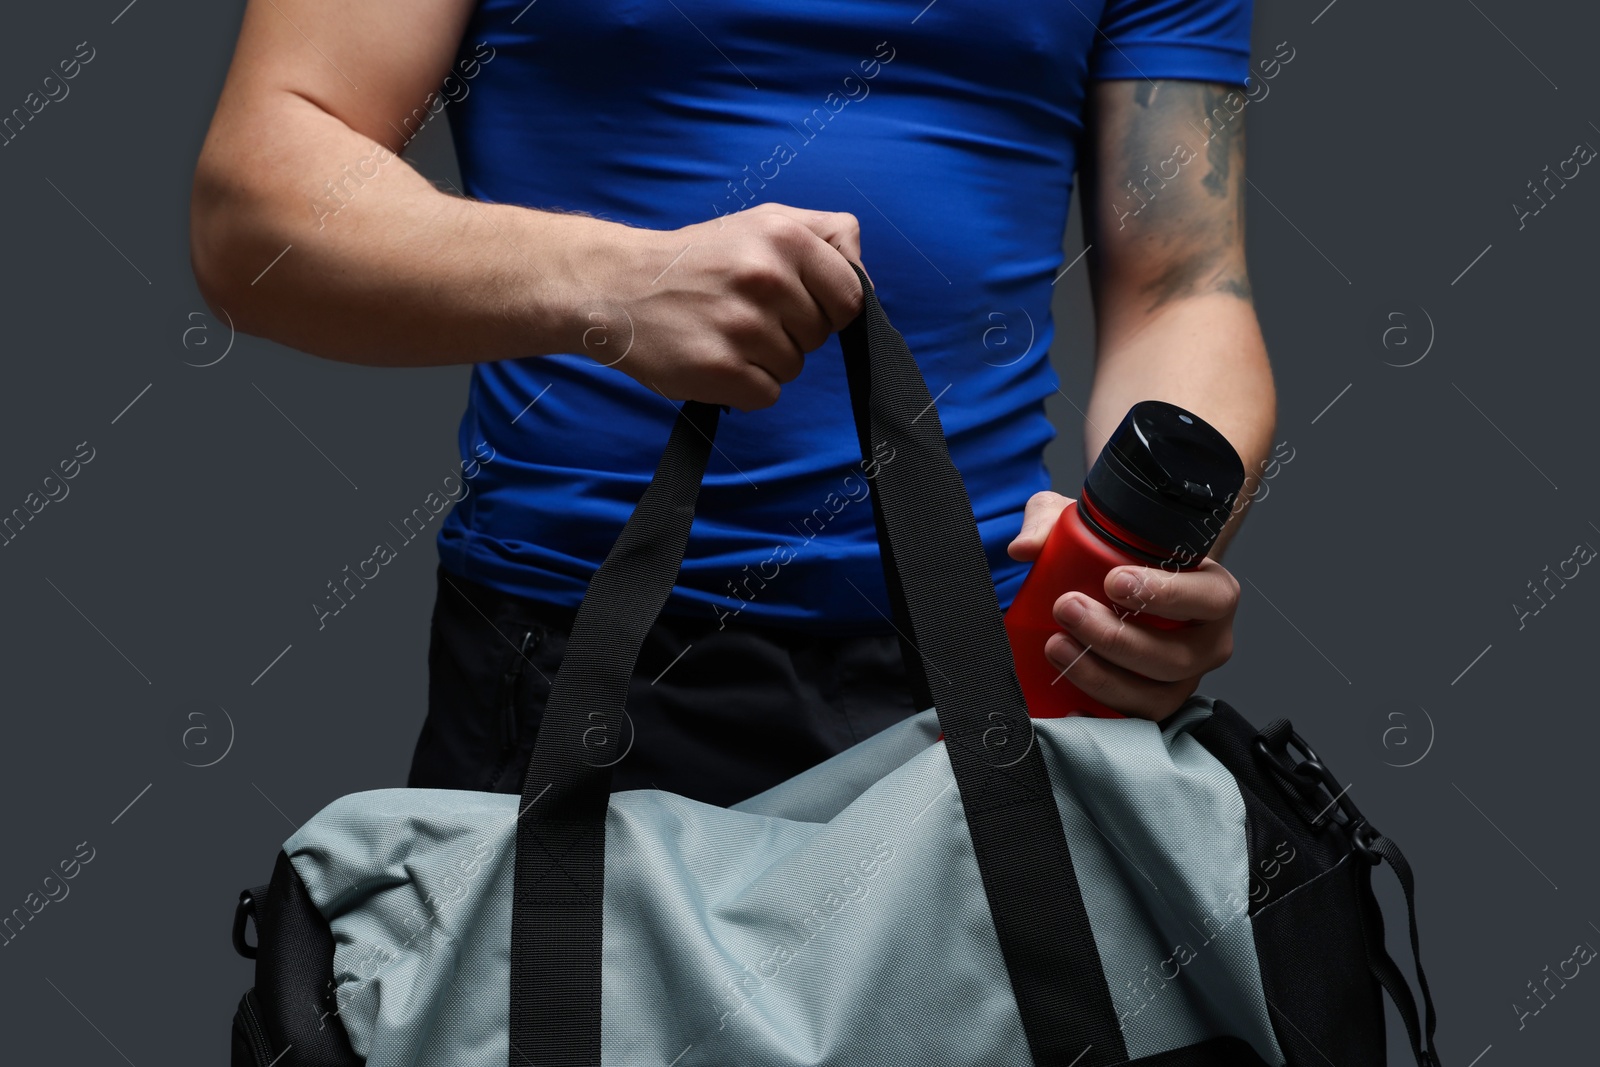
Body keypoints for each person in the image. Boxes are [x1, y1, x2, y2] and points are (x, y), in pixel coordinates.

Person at [190, 0, 1276, 806]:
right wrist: (611, 284)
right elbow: (255, 211)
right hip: (578, 663)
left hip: (997, 665)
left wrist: (1134, 571)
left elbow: (1182, 285)